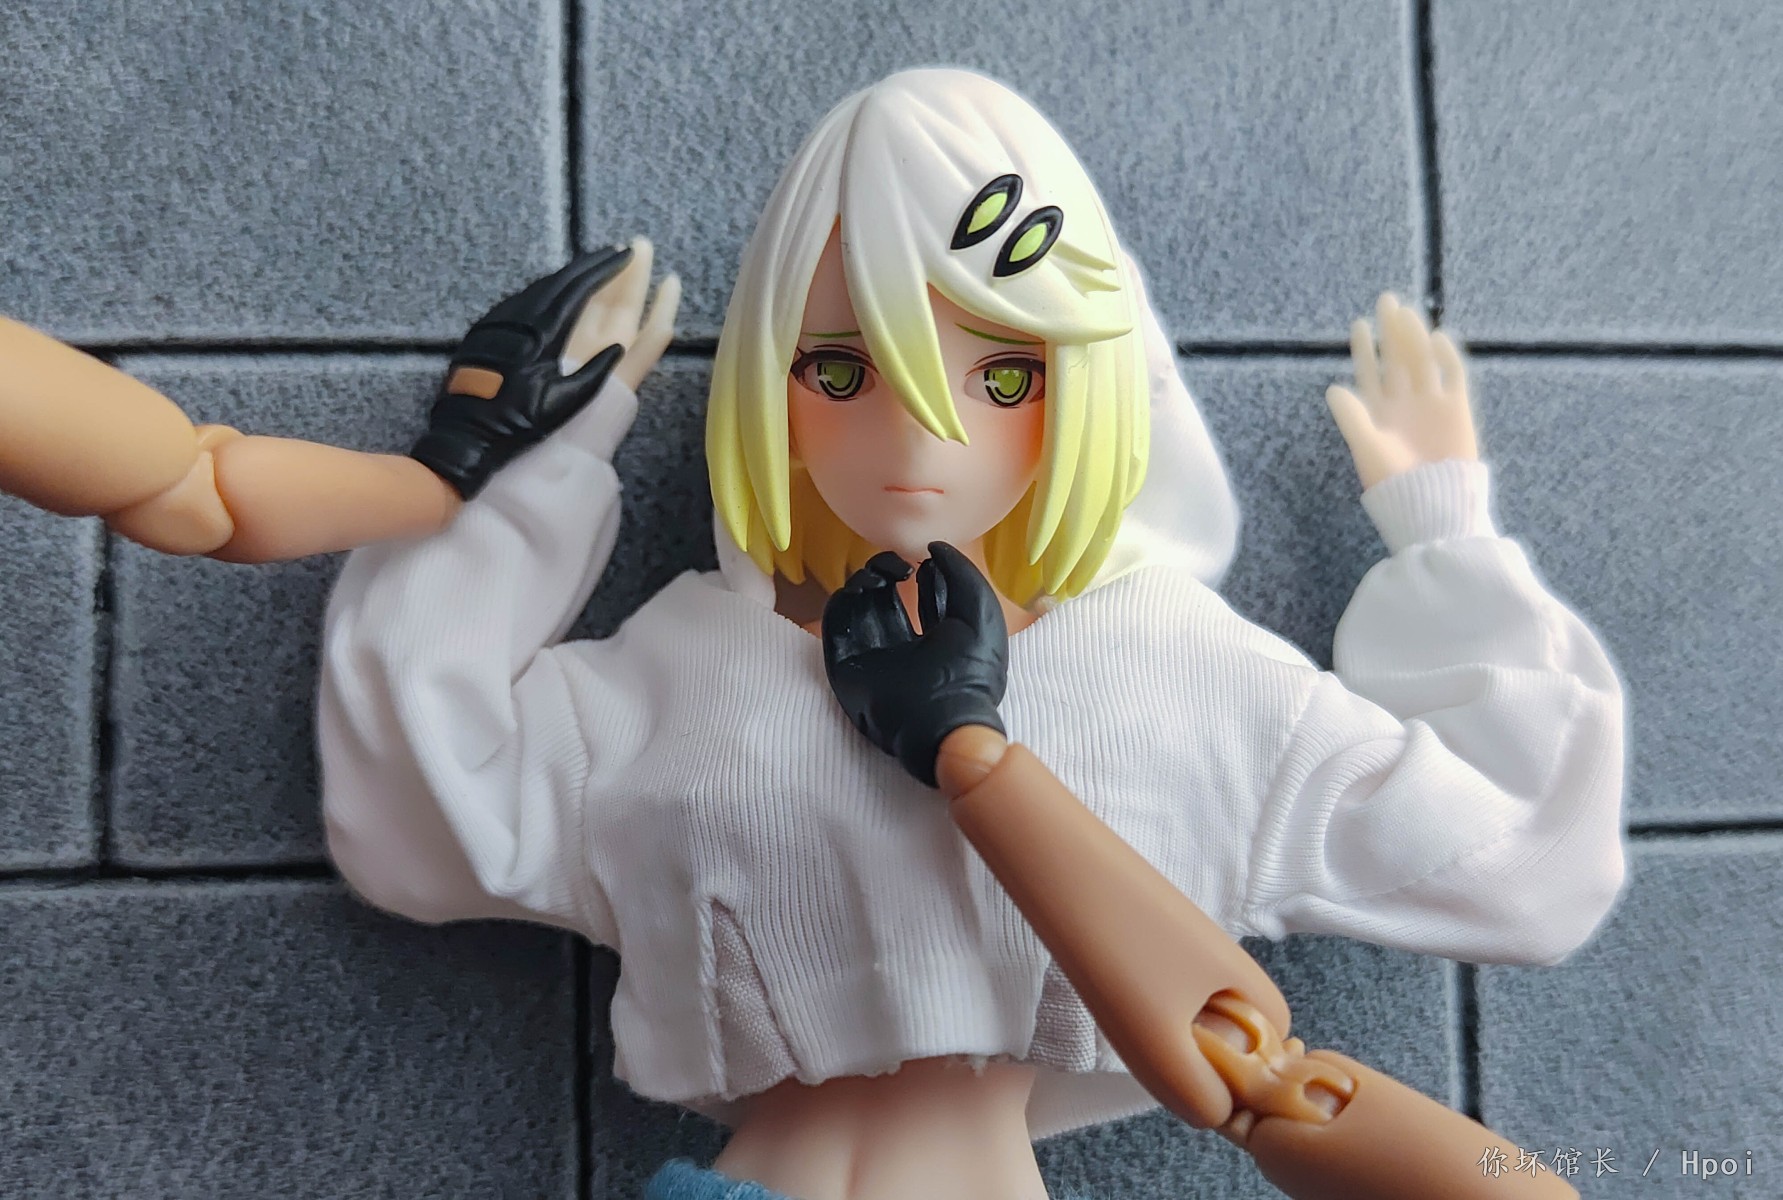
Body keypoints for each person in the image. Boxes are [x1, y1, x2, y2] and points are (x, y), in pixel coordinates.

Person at [0, 68, 1624, 1200]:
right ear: (770, 375)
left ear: (1091, 378)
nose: (918, 441)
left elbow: (1517, 861)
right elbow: (418, 803)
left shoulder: (1177, 666)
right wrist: (537, 466)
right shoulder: (689, 661)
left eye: (1002, 373)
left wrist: (1448, 536)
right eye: (839, 370)